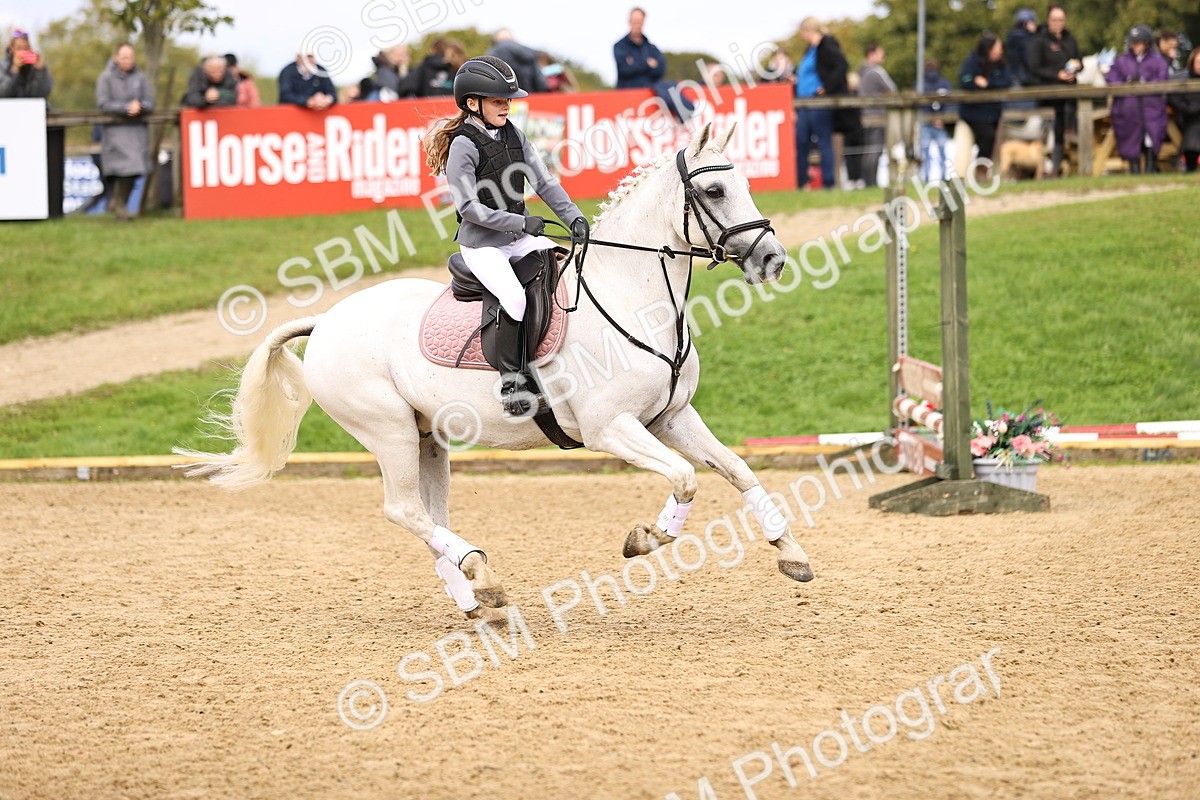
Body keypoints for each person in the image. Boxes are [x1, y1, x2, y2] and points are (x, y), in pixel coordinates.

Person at [424, 56, 586, 416]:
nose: (506, 106)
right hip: (482, 246)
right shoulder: (463, 146)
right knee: (513, 298)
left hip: (517, 237)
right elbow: (468, 208)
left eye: (508, 100)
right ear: (472, 103)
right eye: (498, 101)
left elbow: (543, 181)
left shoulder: (514, 133)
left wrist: (574, 217)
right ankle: (512, 381)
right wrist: (519, 223)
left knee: (565, 265)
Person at [795, 17, 859, 190]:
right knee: (801, 142)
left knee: (824, 141)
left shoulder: (826, 44)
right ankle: (801, 182)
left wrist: (826, 88)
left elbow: (841, 65)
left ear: (808, 30)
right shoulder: (810, 49)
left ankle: (828, 183)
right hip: (804, 103)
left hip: (819, 102)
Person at [95, 42, 154, 221]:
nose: (128, 60)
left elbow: (151, 101)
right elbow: (103, 103)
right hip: (116, 131)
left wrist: (141, 106)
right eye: (124, 57)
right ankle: (119, 205)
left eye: (131, 57)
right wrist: (125, 108)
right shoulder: (105, 78)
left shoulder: (140, 78)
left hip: (137, 131)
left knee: (137, 168)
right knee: (125, 167)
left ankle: (118, 204)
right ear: (116, 58)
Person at [1107, 25, 1170, 174]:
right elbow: (1112, 78)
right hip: (1128, 111)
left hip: (1151, 109)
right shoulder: (1121, 61)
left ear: (1147, 43)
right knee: (1130, 138)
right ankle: (1134, 170)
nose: (1134, 46)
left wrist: (1144, 84)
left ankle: (1150, 168)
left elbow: (1162, 79)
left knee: (1151, 136)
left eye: (1138, 42)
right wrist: (1127, 85)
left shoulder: (1157, 60)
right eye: (1133, 42)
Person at [1027, 4, 1081, 176]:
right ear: (1048, 20)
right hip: (1047, 95)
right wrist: (1057, 75)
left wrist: (1077, 67)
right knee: (1049, 129)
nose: (1058, 23)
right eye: (1054, 19)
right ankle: (1041, 168)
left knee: (1063, 130)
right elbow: (1034, 67)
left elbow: (1078, 59)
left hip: (1069, 95)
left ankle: (1057, 168)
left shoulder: (1070, 39)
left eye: (1061, 19)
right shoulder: (1040, 40)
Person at [958, 34, 1013, 172]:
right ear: (989, 49)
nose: (1001, 50)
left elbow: (1007, 82)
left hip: (993, 113)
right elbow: (966, 81)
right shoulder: (972, 62)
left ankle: (982, 172)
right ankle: (980, 171)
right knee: (987, 137)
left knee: (990, 142)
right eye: (998, 47)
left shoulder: (1001, 65)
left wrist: (988, 83)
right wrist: (976, 83)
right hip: (973, 114)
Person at [857, 44, 896, 188]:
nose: (882, 57)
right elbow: (892, 89)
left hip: (866, 116)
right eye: (880, 53)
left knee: (869, 151)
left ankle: (868, 182)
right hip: (878, 115)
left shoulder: (862, 73)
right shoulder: (875, 72)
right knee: (875, 151)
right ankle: (871, 184)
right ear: (871, 54)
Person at [919, 58, 954, 182]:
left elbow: (920, 105)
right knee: (942, 152)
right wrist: (941, 118)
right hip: (937, 123)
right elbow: (951, 103)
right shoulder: (944, 83)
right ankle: (945, 179)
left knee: (925, 153)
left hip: (927, 123)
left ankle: (925, 180)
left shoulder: (920, 84)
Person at [613, 7, 665, 89]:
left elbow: (660, 71)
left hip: (649, 95)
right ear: (629, 22)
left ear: (643, 22)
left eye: (639, 21)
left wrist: (634, 64)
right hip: (627, 94)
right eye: (634, 21)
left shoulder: (652, 48)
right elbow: (625, 69)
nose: (637, 24)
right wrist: (648, 64)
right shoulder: (620, 46)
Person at [1168, 48, 1200, 172]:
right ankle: (1189, 164)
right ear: (1192, 62)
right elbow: (1172, 96)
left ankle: (1187, 163)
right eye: (1198, 62)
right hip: (1187, 119)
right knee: (1194, 129)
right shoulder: (1180, 78)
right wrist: (1187, 108)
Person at [489, 29, 547, 94]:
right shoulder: (529, 53)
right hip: (530, 95)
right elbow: (540, 81)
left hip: (505, 98)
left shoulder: (492, 54)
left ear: (496, 39)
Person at [1, 28, 53, 99]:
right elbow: (3, 93)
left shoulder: (34, 68)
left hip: (32, 108)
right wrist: (14, 70)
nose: (23, 52)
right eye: (19, 48)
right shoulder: (2, 66)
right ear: (11, 49)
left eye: (25, 48)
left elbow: (43, 93)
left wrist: (40, 71)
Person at [1005, 8, 1039, 86]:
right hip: (1024, 78)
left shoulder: (1013, 36)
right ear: (1025, 23)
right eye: (1033, 22)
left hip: (1016, 76)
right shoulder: (1024, 38)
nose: (1035, 24)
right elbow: (1029, 58)